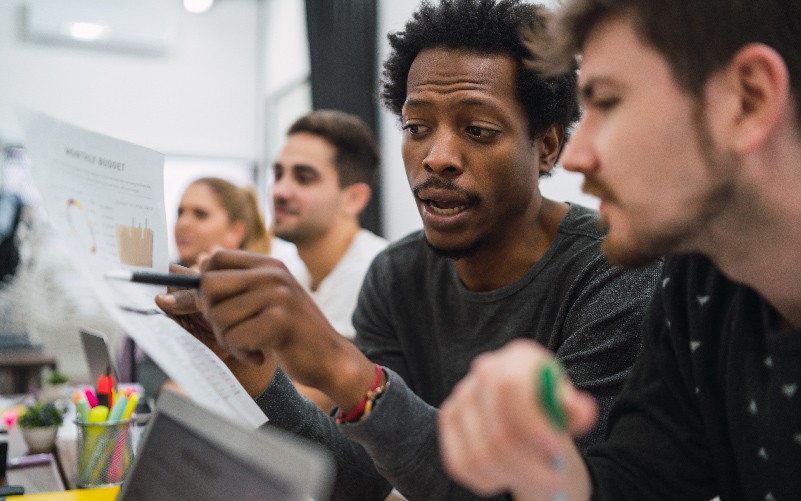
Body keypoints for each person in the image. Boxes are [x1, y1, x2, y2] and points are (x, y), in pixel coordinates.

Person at [156, 0, 661, 499]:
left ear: (547, 146)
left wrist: (346, 369)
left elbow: (535, 490)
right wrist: (257, 377)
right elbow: (359, 479)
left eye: (478, 130)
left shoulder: (614, 270)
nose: (436, 158)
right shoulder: (394, 275)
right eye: (416, 128)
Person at [437, 1, 801, 500]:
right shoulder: (697, 280)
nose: (577, 154)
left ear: (748, 99)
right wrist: (544, 467)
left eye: (607, 102)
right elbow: (634, 485)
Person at [272, 110, 389, 411]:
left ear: (354, 199)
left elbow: (316, 403)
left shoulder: (376, 274)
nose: (280, 191)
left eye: (304, 177)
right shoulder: (299, 276)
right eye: (278, 174)